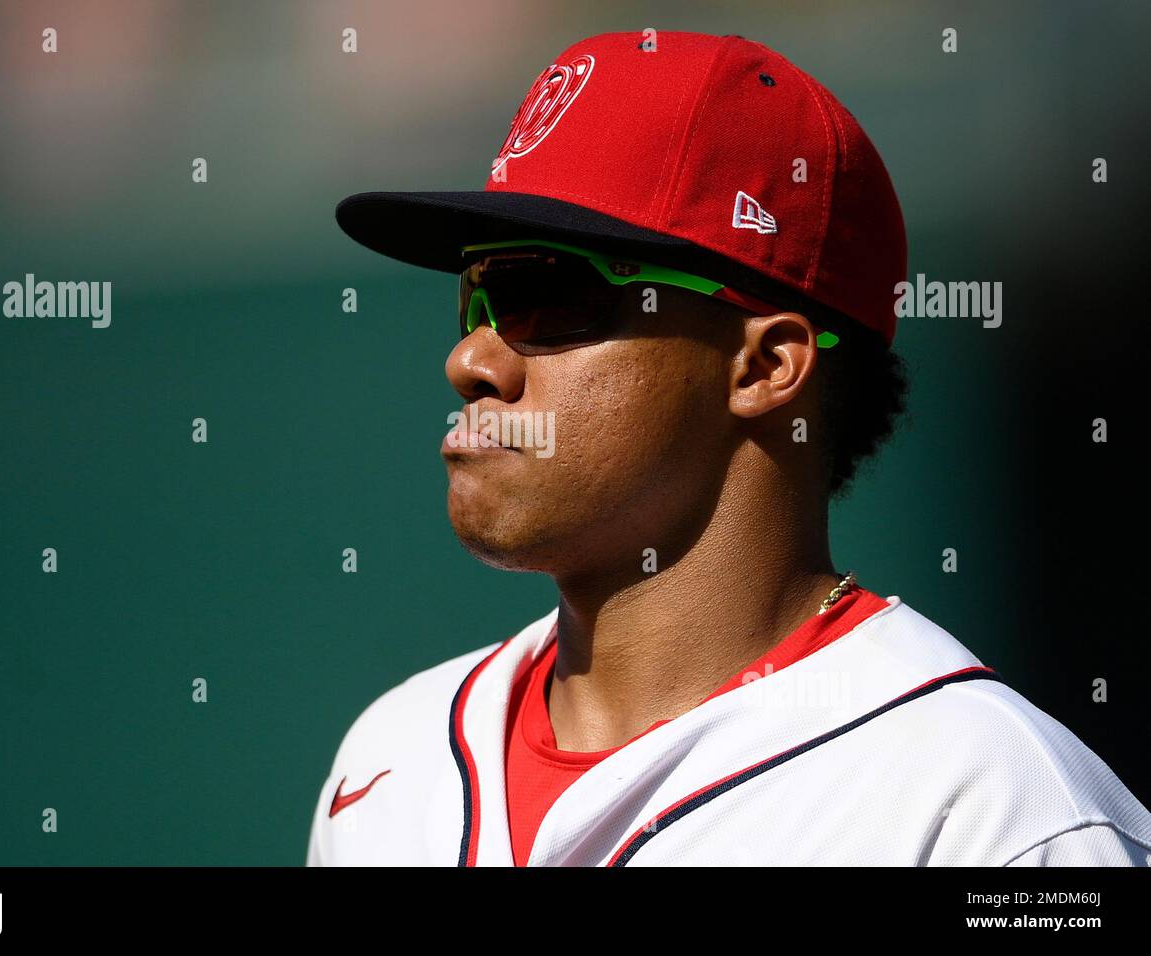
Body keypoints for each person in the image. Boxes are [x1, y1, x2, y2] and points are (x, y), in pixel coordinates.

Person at [308, 31, 1151, 866]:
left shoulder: (992, 812)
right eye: (479, 297)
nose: (471, 359)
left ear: (765, 364)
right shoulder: (391, 759)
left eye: (545, 295)